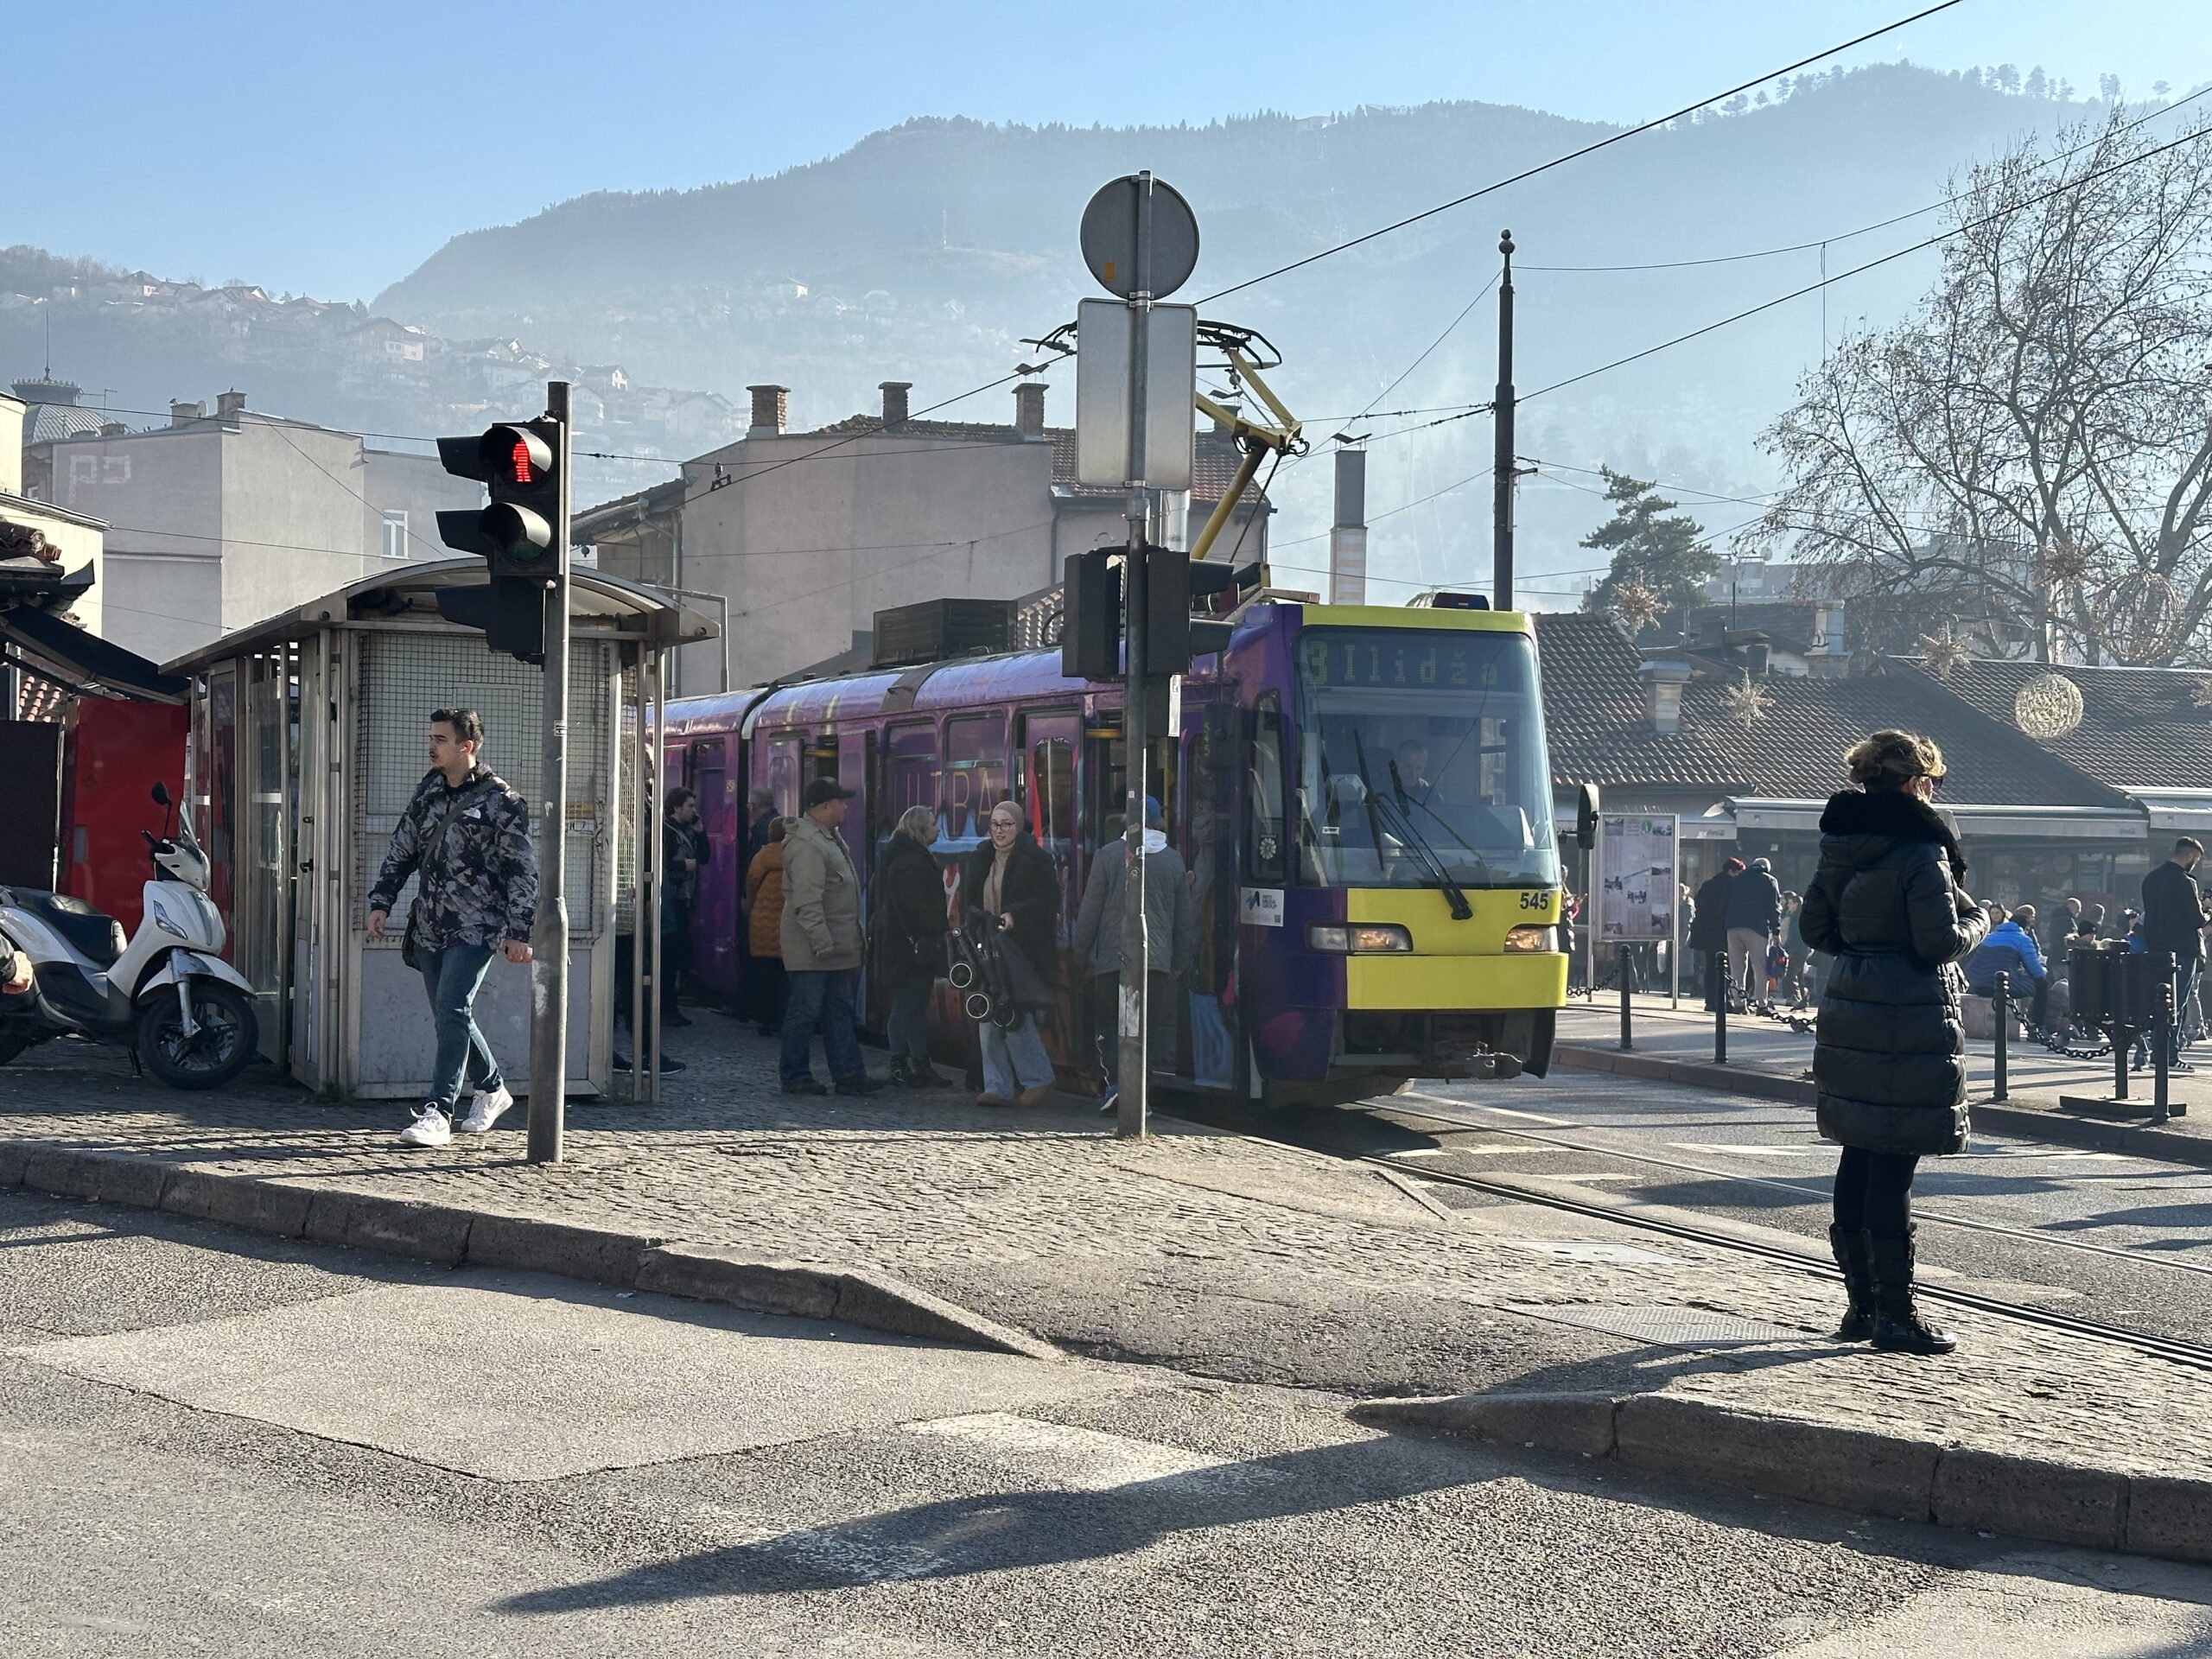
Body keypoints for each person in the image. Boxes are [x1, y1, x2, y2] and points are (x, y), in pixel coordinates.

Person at [1799, 728, 1986, 1357]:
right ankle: (1898, 1315)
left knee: (1858, 1152)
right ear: (1914, 782)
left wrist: (1861, 952)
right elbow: (1937, 942)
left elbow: (1814, 926)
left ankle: (1861, 1306)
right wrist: (1980, 921)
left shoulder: (1842, 841)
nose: (1932, 794)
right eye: (1930, 782)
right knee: (1894, 1161)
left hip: (1851, 1003)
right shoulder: (1918, 849)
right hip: (1905, 1011)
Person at [367, 707, 537, 1148]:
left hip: (477, 925)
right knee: (450, 1014)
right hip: (429, 923)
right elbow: (402, 847)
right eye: (432, 737)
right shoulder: (428, 793)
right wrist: (381, 901)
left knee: (453, 1006)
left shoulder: (503, 801)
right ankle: (494, 1089)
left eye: (441, 739)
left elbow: (523, 871)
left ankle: (438, 1112)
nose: (431, 745)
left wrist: (520, 931)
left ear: (468, 746)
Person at [1072, 796, 1198, 1114]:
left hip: (1113, 964)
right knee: (1151, 1029)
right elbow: (1185, 921)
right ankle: (1143, 1094)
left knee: (1114, 1025)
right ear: (1158, 821)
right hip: (1157, 965)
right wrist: (1179, 964)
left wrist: (1080, 956)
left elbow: (1089, 912)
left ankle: (1117, 1086)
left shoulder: (1108, 856)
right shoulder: (1173, 861)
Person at [779, 779, 878, 1096]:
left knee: (838, 1010)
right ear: (823, 807)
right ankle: (795, 1075)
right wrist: (821, 941)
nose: (845, 807)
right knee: (805, 1011)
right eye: (840, 802)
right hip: (815, 949)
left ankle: (849, 1074)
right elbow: (806, 900)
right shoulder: (809, 844)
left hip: (835, 947)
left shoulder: (826, 838)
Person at [963, 800, 1061, 1107]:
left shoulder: (1036, 859)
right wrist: (977, 917)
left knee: (1014, 1013)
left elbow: (1047, 902)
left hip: (1021, 948)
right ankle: (997, 1086)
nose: (1000, 831)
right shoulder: (980, 857)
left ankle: (1038, 1080)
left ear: (1019, 826)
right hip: (986, 947)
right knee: (986, 1013)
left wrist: (1014, 916)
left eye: (1007, 824)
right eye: (995, 824)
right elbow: (968, 899)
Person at [876, 804, 952, 1089]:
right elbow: (912, 906)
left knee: (915, 1005)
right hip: (912, 947)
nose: (938, 828)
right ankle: (902, 1063)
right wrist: (929, 934)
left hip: (910, 945)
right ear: (920, 829)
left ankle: (918, 1063)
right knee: (908, 1005)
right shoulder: (911, 861)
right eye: (933, 824)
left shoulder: (906, 857)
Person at [2142, 836, 2212, 1068]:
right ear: (2190, 856)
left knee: (2160, 1001)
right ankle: (2169, 1055)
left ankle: (2155, 1051)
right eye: (2197, 859)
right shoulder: (2185, 881)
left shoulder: (2151, 879)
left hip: (2157, 949)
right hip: (2183, 950)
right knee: (2177, 1004)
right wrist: (2206, 914)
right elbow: (2195, 919)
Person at [660, 786, 709, 1027]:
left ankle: (671, 1006)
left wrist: (701, 834)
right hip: (671, 899)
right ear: (677, 807)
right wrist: (683, 866)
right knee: (669, 956)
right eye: (690, 806)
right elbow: (661, 863)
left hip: (685, 899)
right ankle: (667, 1008)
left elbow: (706, 858)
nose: (694, 811)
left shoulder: (689, 830)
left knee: (678, 954)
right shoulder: (667, 831)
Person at [1964, 905, 2050, 1034]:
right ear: (2025, 928)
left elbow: (1972, 966)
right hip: (2003, 987)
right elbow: (2036, 971)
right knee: (2042, 986)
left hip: (1980, 985)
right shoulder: (2022, 939)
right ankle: (2038, 1027)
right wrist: (2044, 971)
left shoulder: (1990, 937)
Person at [743, 818, 789, 1039]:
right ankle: (781, 1019)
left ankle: (763, 1020)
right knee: (784, 977)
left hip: (762, 922)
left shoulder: (761, 857)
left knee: (764, 976)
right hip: (787, 924)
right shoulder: (795, 857)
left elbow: (751, 883)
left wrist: (753, 907)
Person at [1726, 855, 1783, 1007]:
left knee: (1737, 967)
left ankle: (1739, 1003)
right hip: (1756, 927)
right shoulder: (1769, 880)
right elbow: (1774, 908)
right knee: (1760, 968)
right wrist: (1776, 930)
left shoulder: (1737, 879)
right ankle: (1762, 1004)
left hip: (1733, 926)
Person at [1689, 859, 1738, 1012]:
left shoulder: (1708, 884)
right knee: (1726, 967)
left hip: (1706, 934)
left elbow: (1699, 904)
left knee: (1710, 967)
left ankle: (1710, 1001)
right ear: (1731, 871)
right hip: (1723, 932)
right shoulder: (1731, 886)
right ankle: (1724, 999)